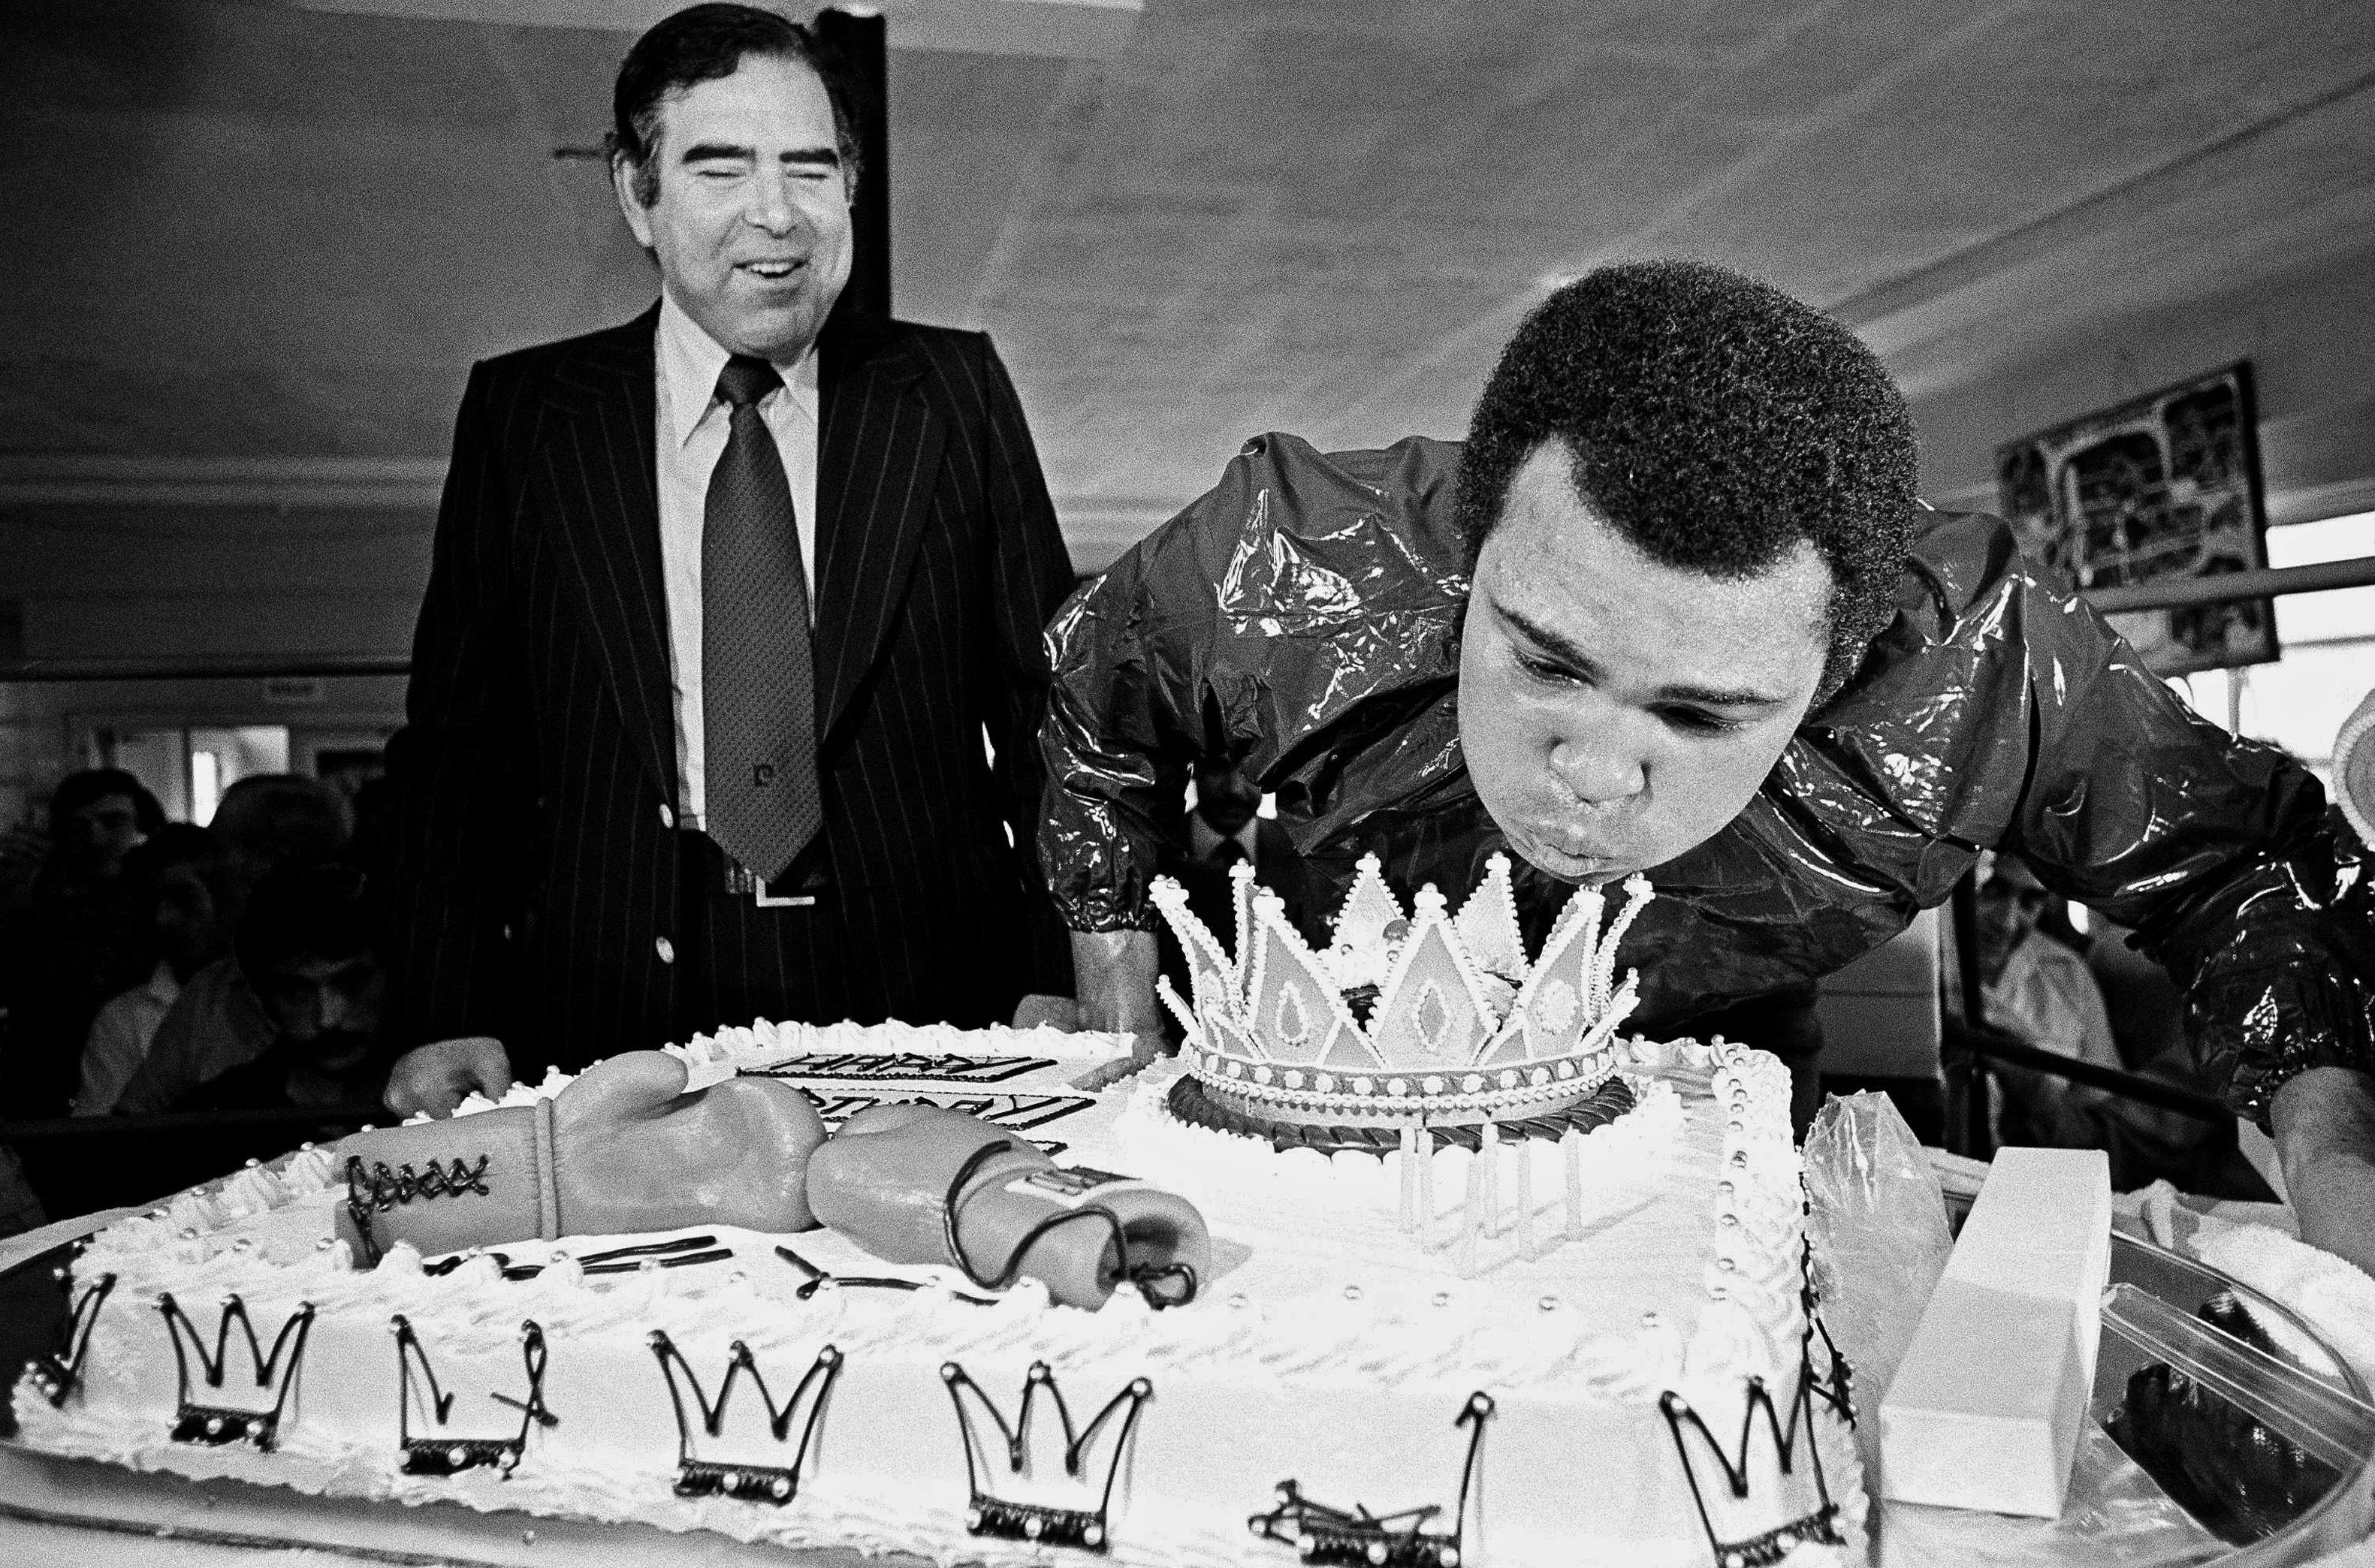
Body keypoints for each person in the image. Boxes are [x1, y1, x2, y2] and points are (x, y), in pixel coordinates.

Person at [1042, 260, 2375, 1271]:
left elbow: (2247, 863)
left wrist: (2332, 1160)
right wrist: (1117, 1022)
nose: (1594, 773)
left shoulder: (1987, 664)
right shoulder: (1282, 562)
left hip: (1727, 1059)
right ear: (1474, 541)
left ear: (1845, 656)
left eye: (1701, 714)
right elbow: (1098, 709)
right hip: (1339, 1059)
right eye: (1546, 661)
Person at [382, 3, 1076, 1118]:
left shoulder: (952, 395)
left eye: (810, 167)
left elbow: (1055, 714)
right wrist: (442, 1002)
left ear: (851, 185)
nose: (776, 214)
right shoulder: (528, 419)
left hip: (927, 991)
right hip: (615, 996)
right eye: (720, 168)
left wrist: (1064, 960)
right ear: (635, 192)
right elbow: (461, 750)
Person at [110, 774, 352, 1114]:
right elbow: (132, 1123)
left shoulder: (377, 977)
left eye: (220, 848)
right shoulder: (210, 989)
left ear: (281, 860)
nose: (206, 868)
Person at [0, 769, 165, 1121]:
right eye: (78, 827)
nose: (95, 838)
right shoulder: (38, 895)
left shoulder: (160, 900)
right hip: (45, 1077)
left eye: (114, 822)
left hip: (137, 1071)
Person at [72, 823, 227, 1116]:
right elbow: (99, 1141)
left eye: (182, 899)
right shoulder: (124, 1019)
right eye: (153, 904)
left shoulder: (276, 995)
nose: (164, 920)